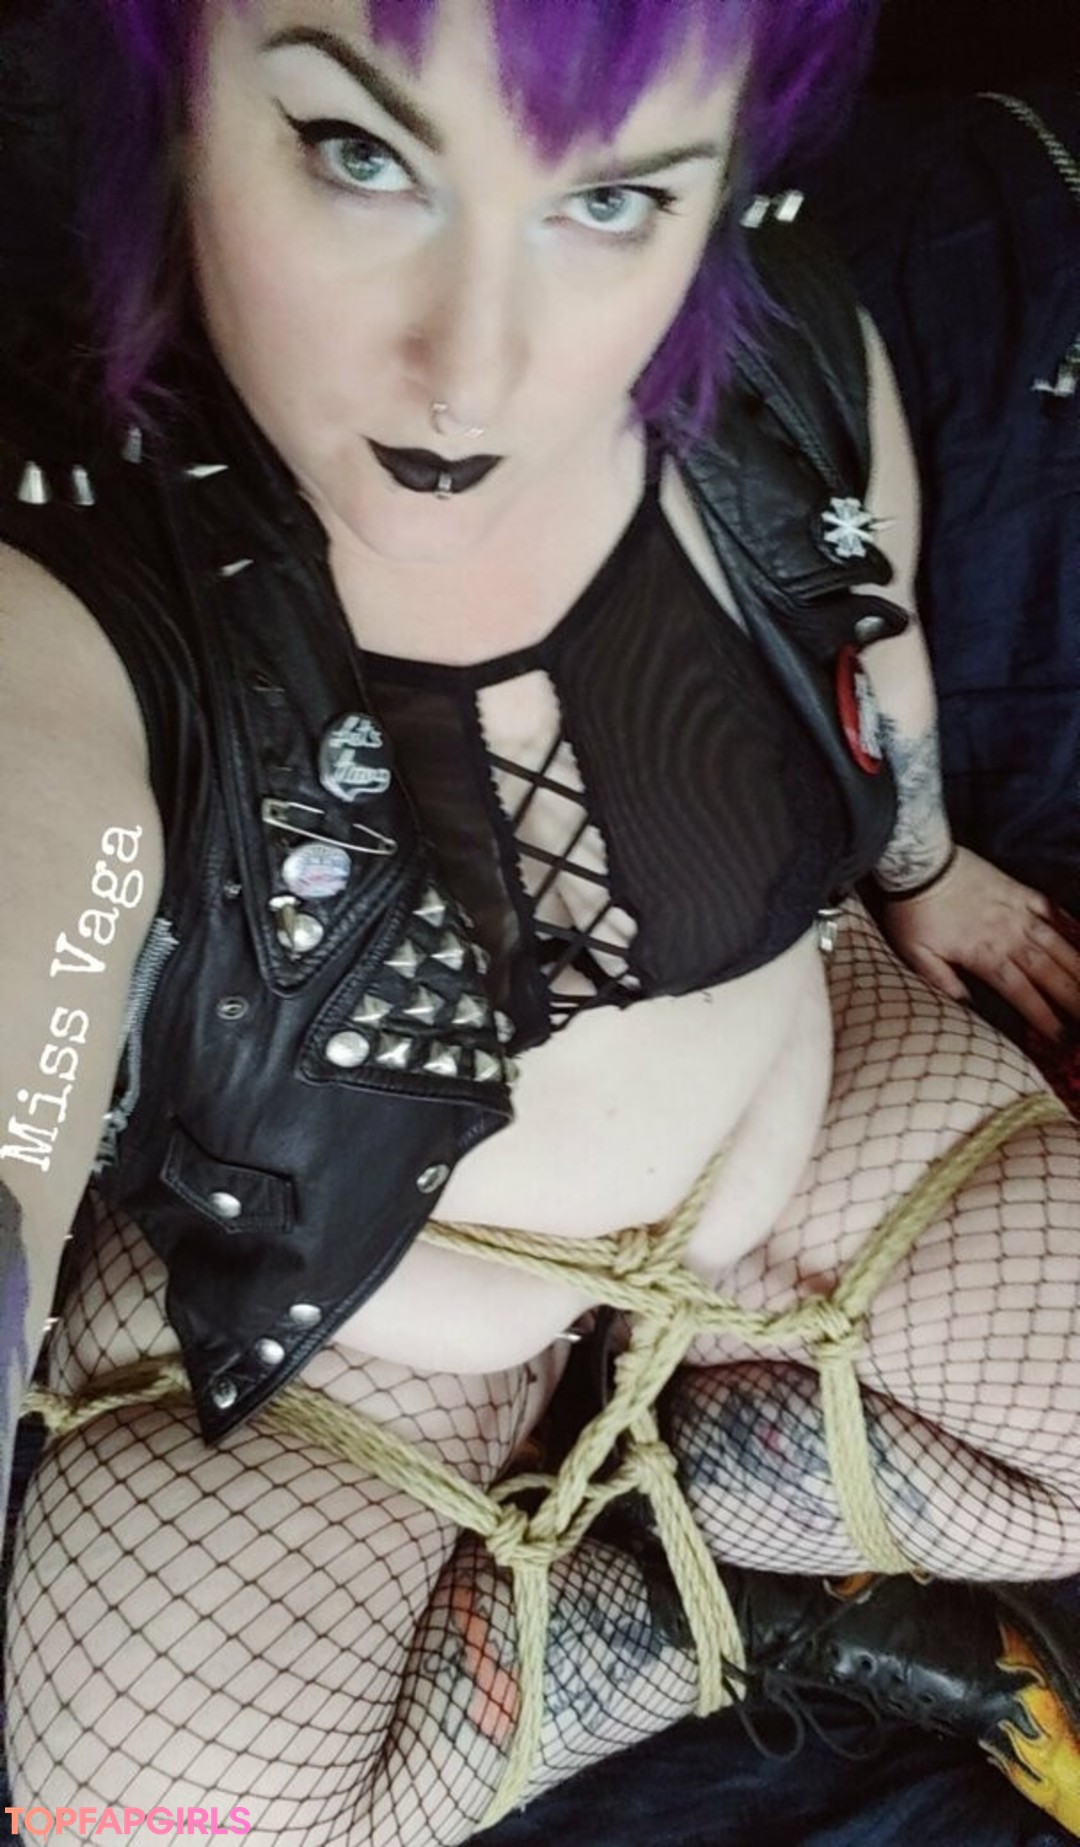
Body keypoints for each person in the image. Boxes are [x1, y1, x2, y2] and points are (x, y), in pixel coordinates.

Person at [1, 3, 1080, 1843]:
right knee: (145, 1826)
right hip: (339, 1319)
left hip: (803, 1136)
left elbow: (867, 636)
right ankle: (731, 1616)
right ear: (177, 91)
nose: (474, 371)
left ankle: (703, 1535)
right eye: (362, 155)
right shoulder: (68, 580)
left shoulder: (782, 349)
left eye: (613, 199)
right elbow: (33, 988)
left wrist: (917, 865)